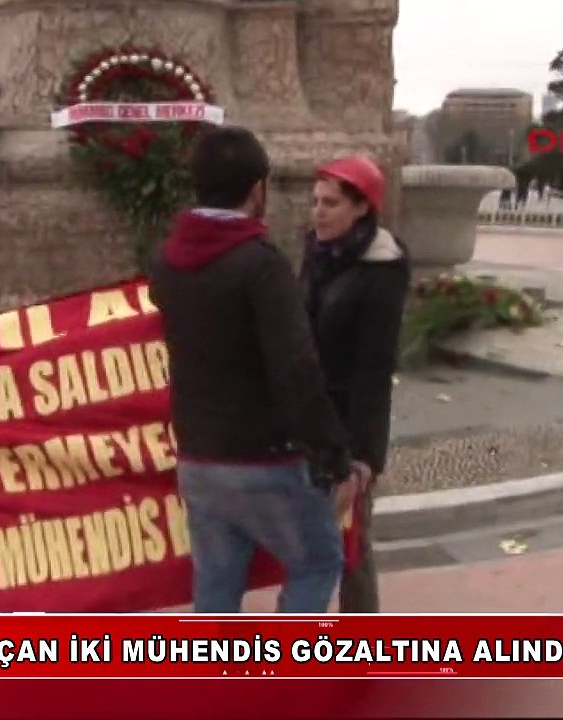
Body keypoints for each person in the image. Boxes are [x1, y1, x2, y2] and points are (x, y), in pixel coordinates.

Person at [148, 126, 368, 614]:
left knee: (217, 584)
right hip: (265, 460)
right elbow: (297, 370)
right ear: (257, 189)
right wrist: (333, 453)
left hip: (199, 459)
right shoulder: (260, 265)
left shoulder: (165, 263)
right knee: (315, 564)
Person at [300, 156, 408, 613]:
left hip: (349, 428)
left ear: (362, 208)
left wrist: (362, 458)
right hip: (309, 418)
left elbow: (374, 367)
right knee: (312, 542)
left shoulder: (382, 269)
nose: (318, 212)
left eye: (331, 203)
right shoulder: (316, 250)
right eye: (315, 202)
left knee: (351, 547)